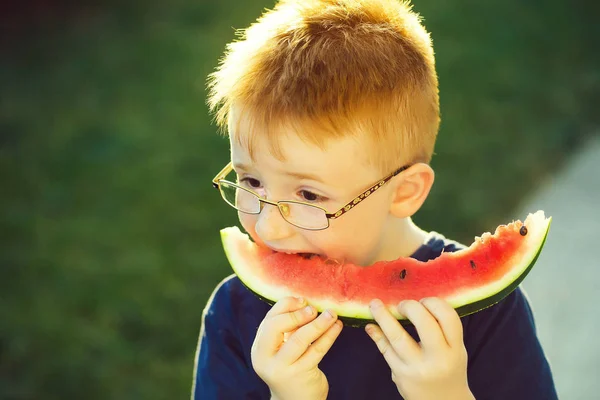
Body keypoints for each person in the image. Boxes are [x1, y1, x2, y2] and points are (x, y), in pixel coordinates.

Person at [192, 0, 558, 398]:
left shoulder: (489, 314)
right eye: (251, 181)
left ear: (404, 192)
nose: (268, 226)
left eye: (308, 195)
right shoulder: (233, 314)